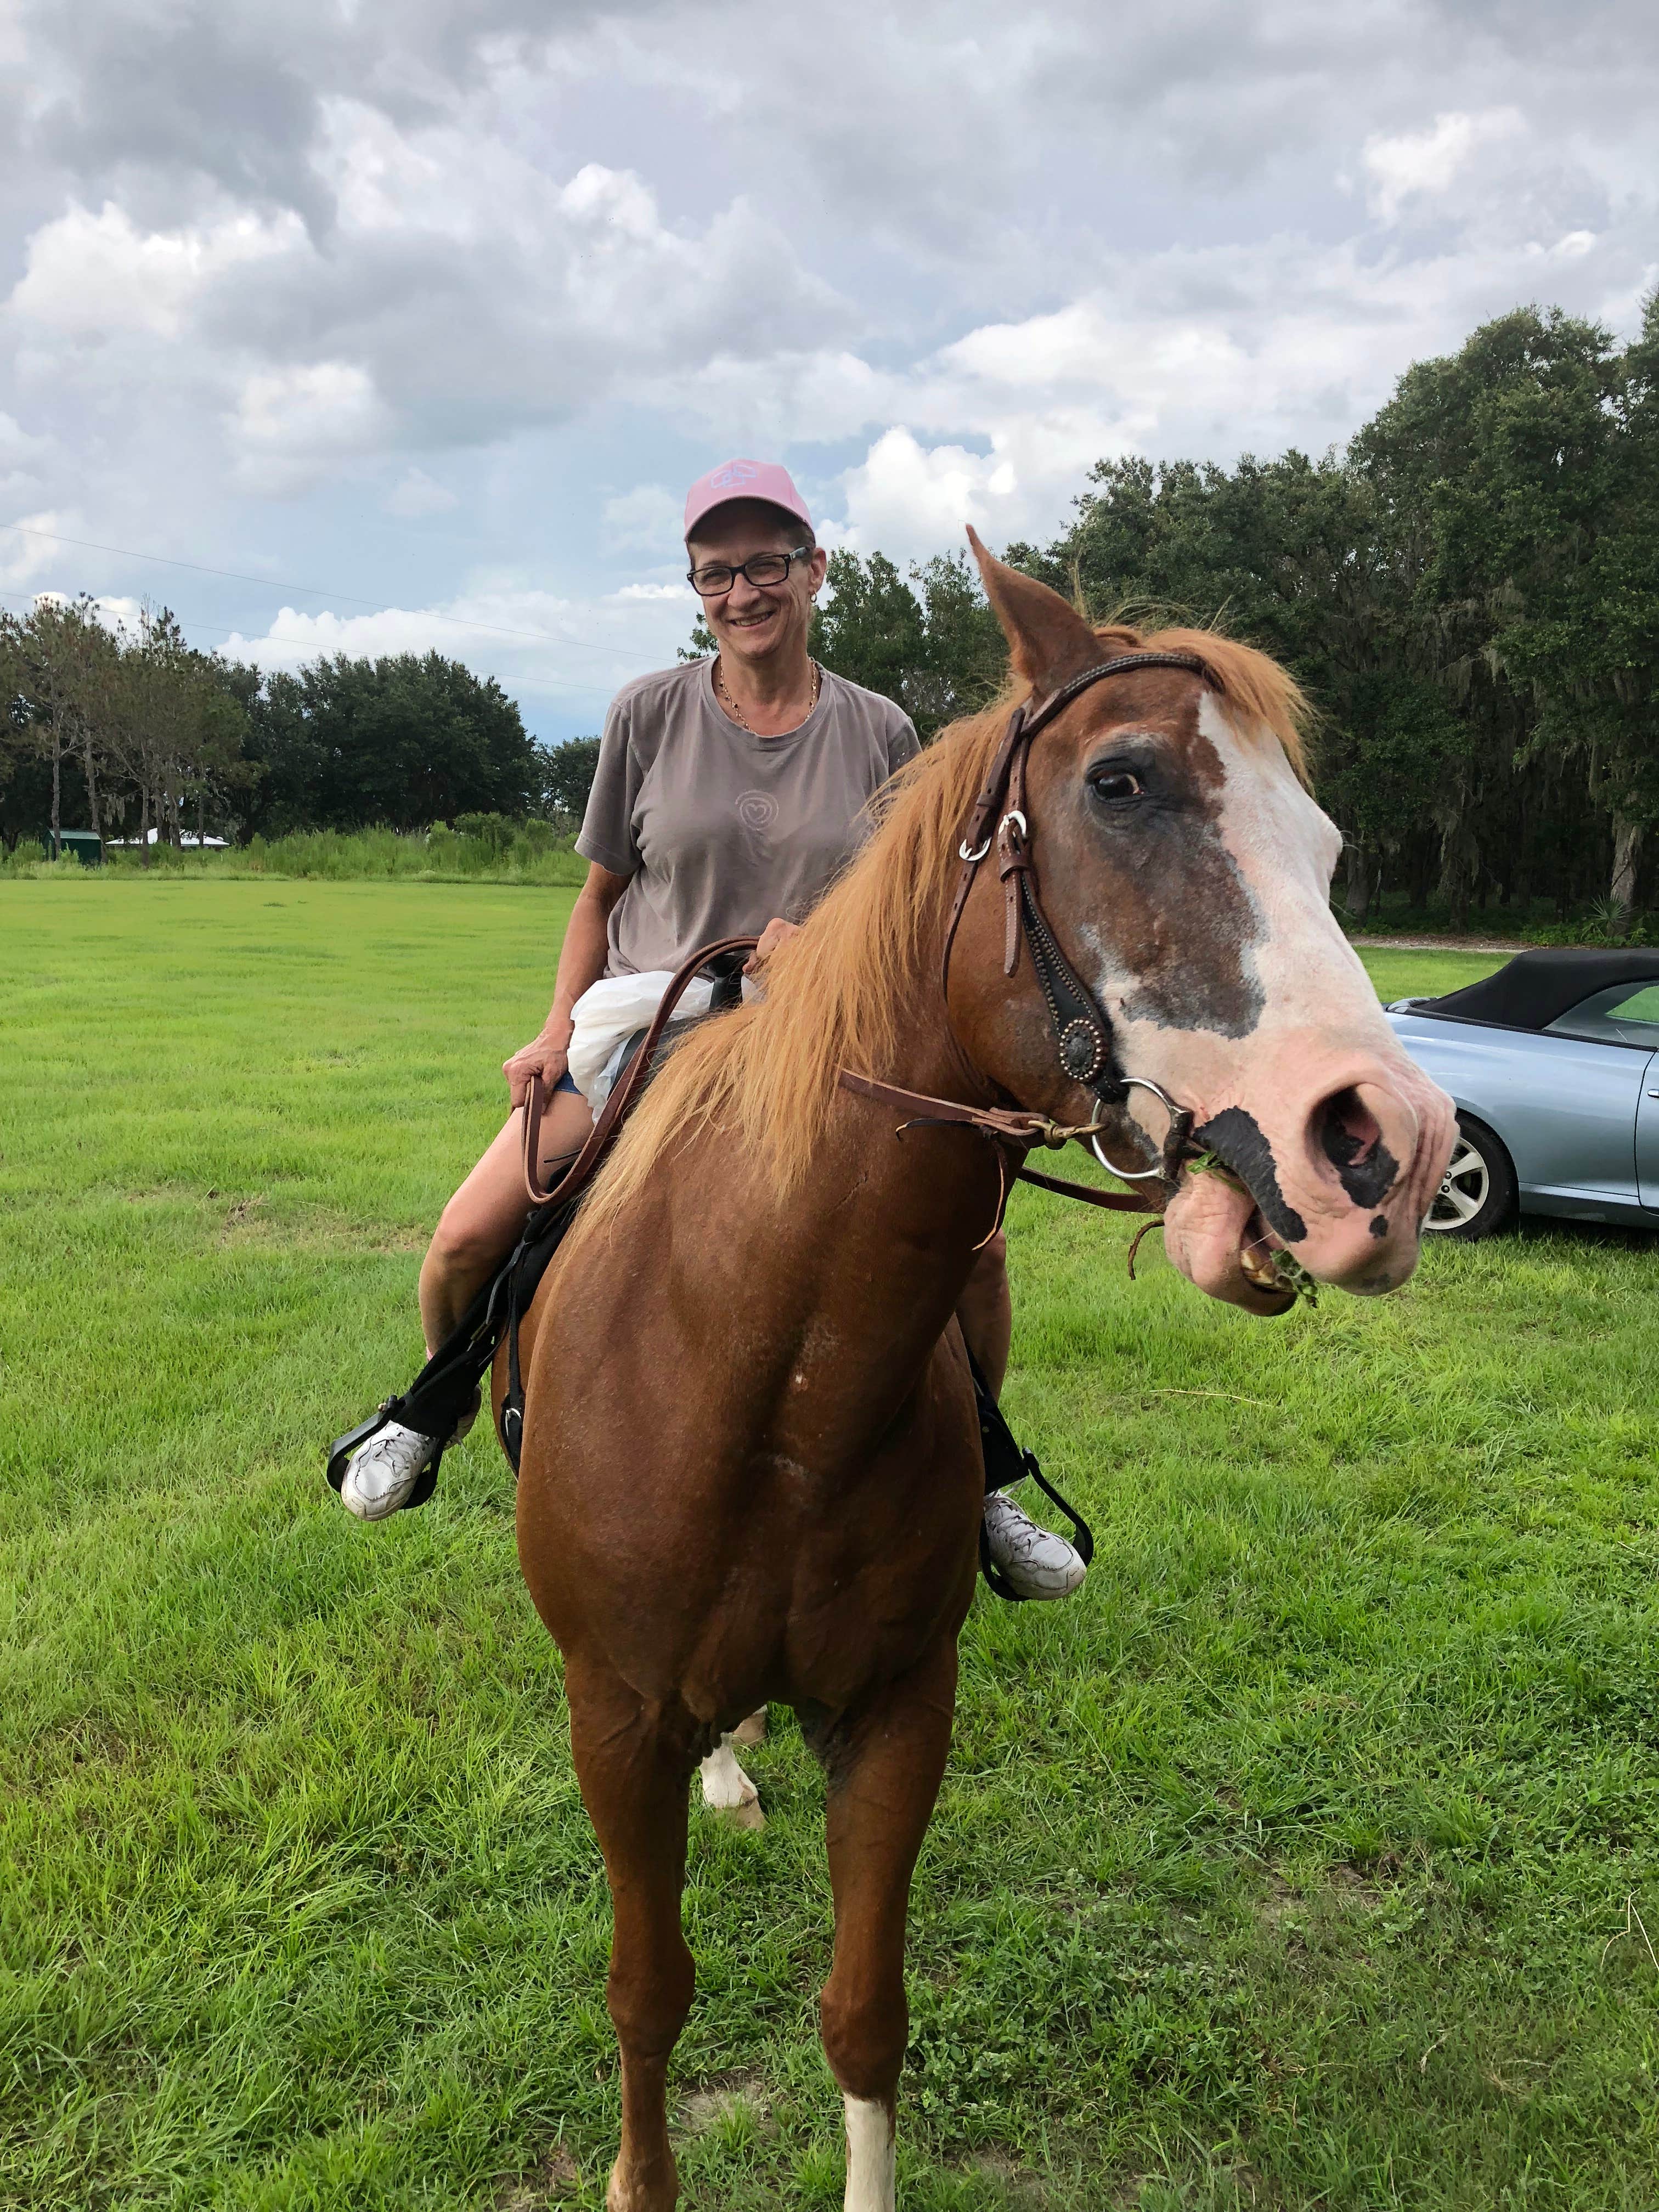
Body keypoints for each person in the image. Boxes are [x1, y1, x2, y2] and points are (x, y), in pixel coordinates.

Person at [335, 459, 1085, 1601]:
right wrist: (553, 1032)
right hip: (652, 1024)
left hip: (824, 1043)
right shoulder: (647, 712)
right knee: (467, 1235)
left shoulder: (880, 729)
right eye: (716, 573)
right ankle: (434, 1408)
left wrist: (821, 946)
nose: (743, 592)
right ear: (697, 589)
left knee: (973, 1254)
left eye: (766, 565)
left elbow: (922, 905)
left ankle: (983, 1479)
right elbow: (598, 896)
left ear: (814, 570)